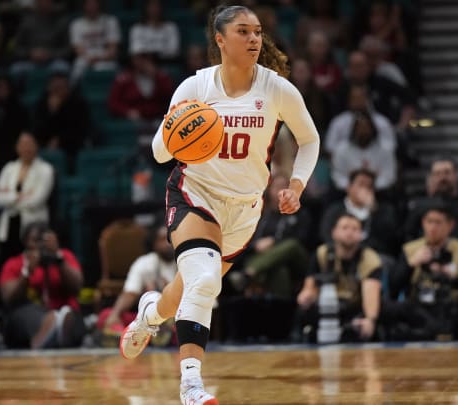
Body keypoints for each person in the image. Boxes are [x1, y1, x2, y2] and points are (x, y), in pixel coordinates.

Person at [119, 6, 320, 404]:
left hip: (244, 209)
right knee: (207, 281)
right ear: (220, 40)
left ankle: (150, 314)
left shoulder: (277, 88)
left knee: (191, 286)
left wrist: (296, 185)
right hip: (195, 193)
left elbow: (309, 139)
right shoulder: (195, 88)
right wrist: (177, 126)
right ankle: (191, 385)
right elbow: (160, 154)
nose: (253, 39)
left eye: (258, 32)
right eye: (243, 31)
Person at [390, 204, 458, 340]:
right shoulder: (410, 249)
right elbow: (394, 287)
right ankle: (437, 330)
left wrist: (451, 278)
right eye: (429, 222)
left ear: (450, 225)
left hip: (451, 305)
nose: (433, 227)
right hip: (419, 306)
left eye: (438, 222)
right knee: (395, 307)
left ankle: (434, 331)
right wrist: (412, 264)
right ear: (423, 223)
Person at [296, 213, 383, 343]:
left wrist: (370, 320)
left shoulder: (369, 258)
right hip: (327, 306)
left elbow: (371, 294)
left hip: (355, 307)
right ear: (334, 232)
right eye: (345, 228)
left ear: (361, 235)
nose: (350, 232)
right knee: (302, 310)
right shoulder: (322, 253)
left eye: (355, 229)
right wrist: (307, 296)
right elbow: (310, 286)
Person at [0, 223, 85, 348]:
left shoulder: (64, 257)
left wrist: (58, 259)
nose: (40, 246)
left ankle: (58, 331)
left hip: (64, 311)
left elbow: (77, 287)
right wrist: (26, 273)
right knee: (22, 314)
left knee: (70, 316)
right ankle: (49, 332)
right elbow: (8, 298)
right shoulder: (15, 263)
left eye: (44, 240)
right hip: (31, 317)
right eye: (35, 241)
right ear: (25, 242)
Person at [98, 225, 176, 335]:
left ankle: (149, 335)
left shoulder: (185, 261)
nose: (168, 244)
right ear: (154, 243)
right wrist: (114, 315)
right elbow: (130, 293)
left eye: (170, 239)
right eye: (162, 240)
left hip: (175, 317)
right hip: (147, 318)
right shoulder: (144, 263)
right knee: (105, 315)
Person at [0, 132, 54, 262]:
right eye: (23, 144)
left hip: (33, 226)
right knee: (9, 263)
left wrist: (9, 197)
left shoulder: (46, 170)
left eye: (29, 144)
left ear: (36, 146)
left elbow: (37, 201)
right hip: (10, 225)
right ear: (17, 147)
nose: (26, 148)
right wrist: (21, 196)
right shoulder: (9, 168)